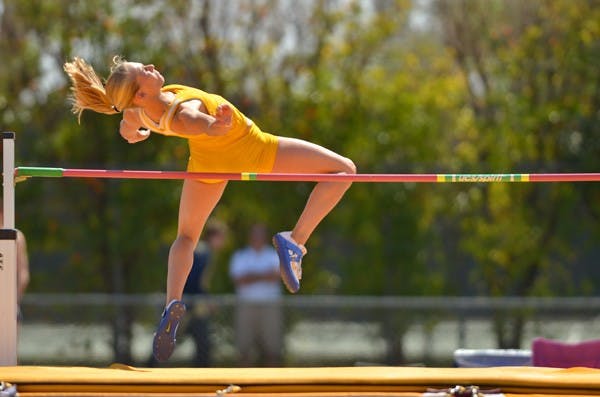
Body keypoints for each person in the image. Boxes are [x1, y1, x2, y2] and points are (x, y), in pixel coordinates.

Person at [63, 56, 356, 362]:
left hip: (207, 168)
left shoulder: (138, 112)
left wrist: (136, 133)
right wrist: (217, 125)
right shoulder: (183, 113)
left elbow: (126, 126)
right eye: (145, 72)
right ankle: (295, 241)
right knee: (345, 170)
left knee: (186, 238)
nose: (151, 67)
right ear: (140, 94)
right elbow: (196, 122)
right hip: (254, 151)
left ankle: (172, 304)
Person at [229, 224, 282, 366]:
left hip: (270, 305)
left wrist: (251, 275)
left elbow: (276, 276)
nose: (257, 238)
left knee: (272, 349)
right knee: (244, 349)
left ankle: (273, 385)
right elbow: (240, 280)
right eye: (254, 234)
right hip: (246, 305)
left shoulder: (274, 255)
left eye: (260, 235)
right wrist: (265, 275)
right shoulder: (240, 255)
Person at [0, 200, 30, 313]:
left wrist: (14, 302)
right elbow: (24, 276)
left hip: (9, 301)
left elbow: (23, 275)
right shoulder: (18, 237)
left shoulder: (17, 237)